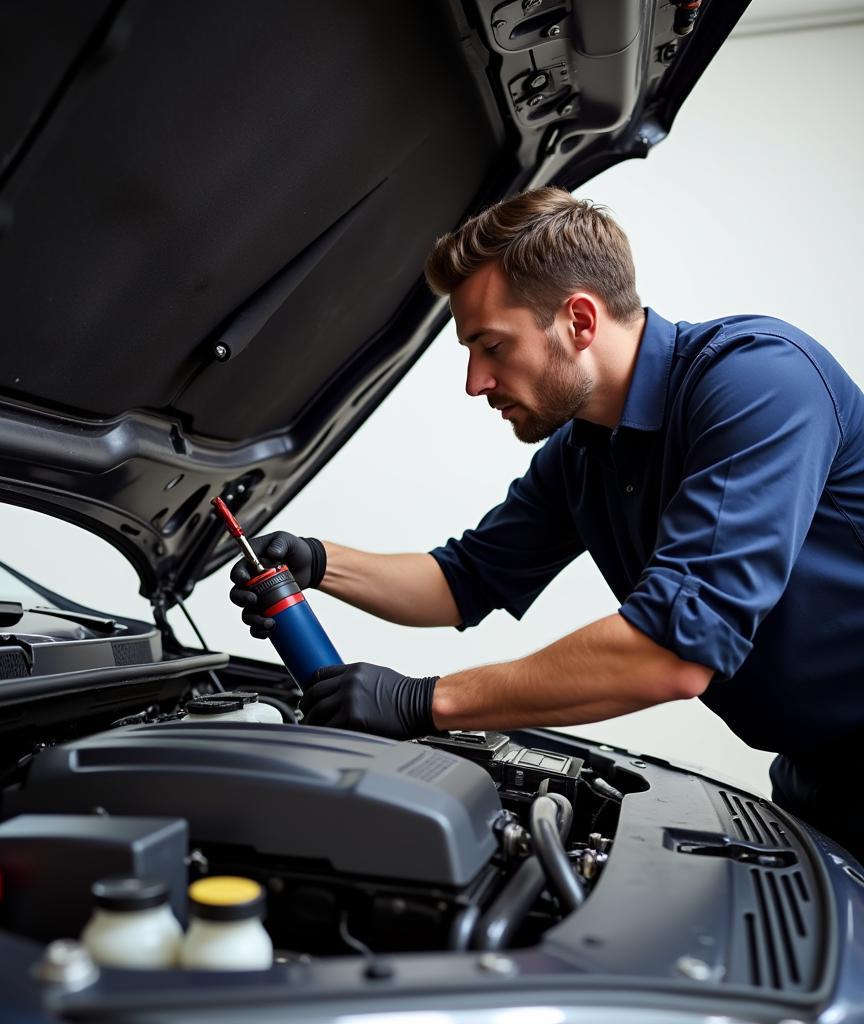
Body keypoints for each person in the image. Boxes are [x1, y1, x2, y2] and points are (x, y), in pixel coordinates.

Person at [230, 187, 864, 859]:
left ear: (579, 321)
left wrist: (423, 700)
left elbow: (674, 654)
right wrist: (319, 563)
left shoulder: (760, 382)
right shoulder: (583, 451)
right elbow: (463, 579)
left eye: (492, 346)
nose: (475, 382)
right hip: (815, 779)